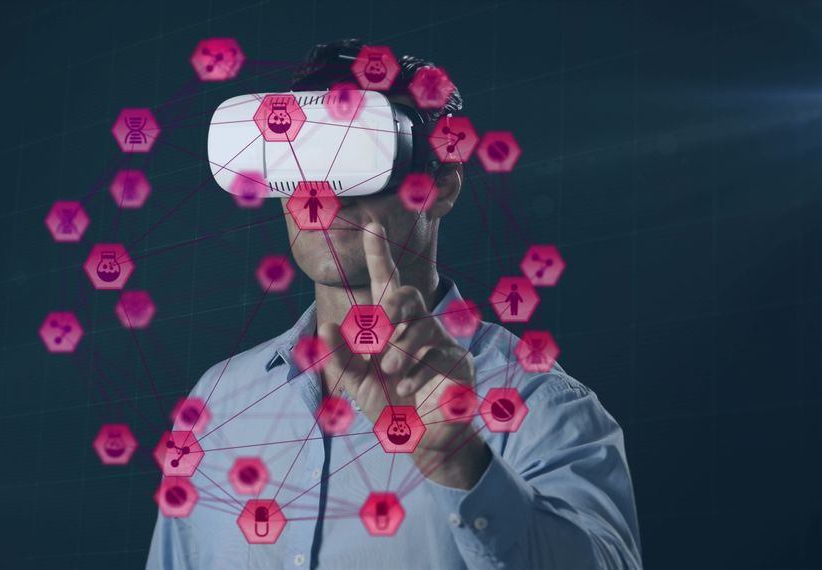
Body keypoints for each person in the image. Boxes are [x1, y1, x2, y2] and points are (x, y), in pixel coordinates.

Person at [148, 39, 641, 569]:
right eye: (303, 152)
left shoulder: (541, 407)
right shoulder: (217, 405)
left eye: (361, 153)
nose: (325, 191)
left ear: (442, 185)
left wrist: (462, 466)